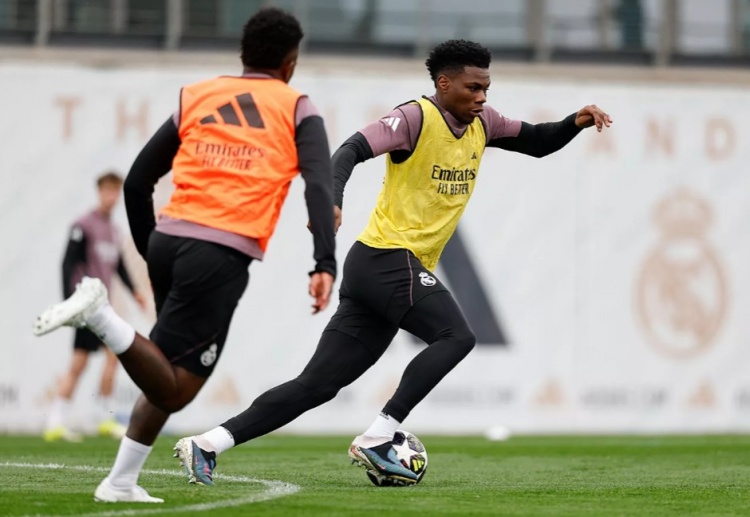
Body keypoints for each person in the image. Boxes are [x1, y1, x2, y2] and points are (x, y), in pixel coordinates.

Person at [174, 39, 613, 486]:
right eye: (473, 88)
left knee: (317, 385)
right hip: (385, 259)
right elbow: (349, 150)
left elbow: (537, 141)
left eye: (486, 88)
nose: (482, 97)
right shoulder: (414, 118)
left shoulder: (484, 122)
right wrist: (333, 200)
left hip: (383, 272)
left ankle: (207, 444)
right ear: (444, 83)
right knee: (457, 336)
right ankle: (379, 435)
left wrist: (573, 122)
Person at [33, 7, 336, 504]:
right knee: (177, 388)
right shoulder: (298, 106)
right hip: (218, 251)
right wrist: (324, 262)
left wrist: (154, 252)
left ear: (243, 55)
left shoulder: (198, 95)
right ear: (290, 63)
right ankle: (101, 315)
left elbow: (137, 182)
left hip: (170, 241)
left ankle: (120, 482)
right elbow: (319, 187)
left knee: (163, 367)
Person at [44, 171, 148, 443]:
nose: (112, 196)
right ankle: (58, 420)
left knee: (109, 357)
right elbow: (68, 263)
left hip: (103, 307)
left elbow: (119, 266)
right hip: (85, 307)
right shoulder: (83, 225)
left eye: (116, 191)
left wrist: (135, 291)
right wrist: (70, 303)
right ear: (99, 192)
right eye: (108, 190)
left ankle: (100, 418)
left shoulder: (114, 231)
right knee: (81, 363)